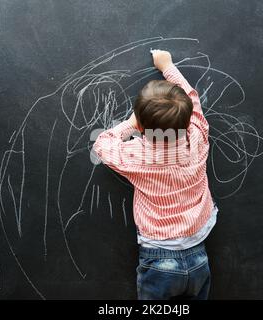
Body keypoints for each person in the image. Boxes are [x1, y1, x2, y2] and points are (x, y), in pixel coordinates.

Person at [93, 49, 218, 300]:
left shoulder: (138, 155)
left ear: (142, 126)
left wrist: (130, 125)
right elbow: (192, 101)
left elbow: (102, 145)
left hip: (159, 259)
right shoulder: (197, 137)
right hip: (199, 253)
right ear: (186, 122)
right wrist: (168, 66)